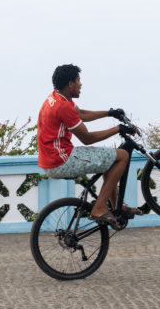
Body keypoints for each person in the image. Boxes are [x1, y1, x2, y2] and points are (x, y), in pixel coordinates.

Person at [37, 64, 139, 230]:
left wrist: (110, 112)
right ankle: (99, 208)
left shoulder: (56, 98)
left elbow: (81, 114)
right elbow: (87, 138)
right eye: (78, 80)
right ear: (70, 84)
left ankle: (116, 207)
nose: (80, 84)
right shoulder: (63, 106)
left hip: (51, 160)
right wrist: (118, 129)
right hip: (62, 161)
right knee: (122, 156)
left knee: (110, 160)